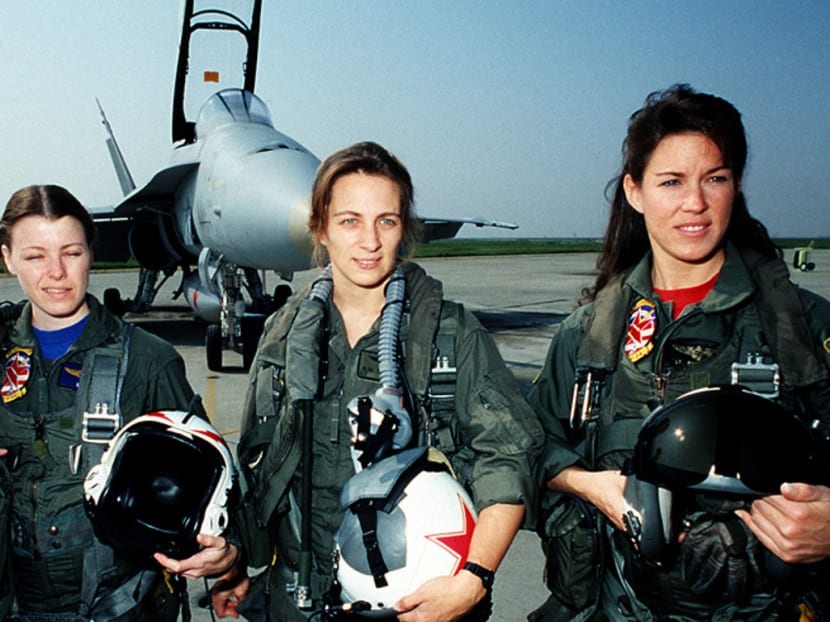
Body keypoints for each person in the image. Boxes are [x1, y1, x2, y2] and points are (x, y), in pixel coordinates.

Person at [529, 84, 830, 621]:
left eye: (715, 178)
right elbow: (527, 447)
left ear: (736, 186)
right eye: (671, 181)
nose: (695, 203)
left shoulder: (804, 328)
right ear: (635, 191)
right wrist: (586, 484)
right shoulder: (588, 335)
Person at [209, 141, 543, 621]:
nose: (369, 241)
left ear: (404, 228)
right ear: (320, 227)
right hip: (296, 599)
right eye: (350, 221)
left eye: (386, 221)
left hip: (412, 604)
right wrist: (237, 564)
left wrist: (474, 580)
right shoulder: (284, 333)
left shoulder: (449, 334)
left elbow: (509, 458)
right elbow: (259, 465)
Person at [0, 185, 238, 621]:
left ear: (91, 253)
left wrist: (228, 555)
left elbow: (217, 474)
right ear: (8, 259)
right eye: (35, 256)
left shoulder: (147, 360)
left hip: (119, 607)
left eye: (71, 253)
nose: (56, 272)